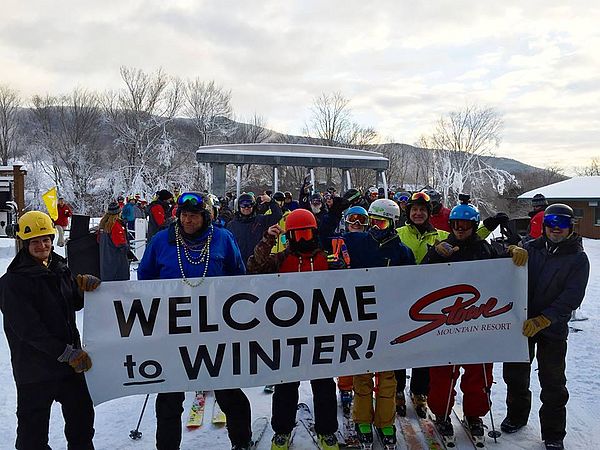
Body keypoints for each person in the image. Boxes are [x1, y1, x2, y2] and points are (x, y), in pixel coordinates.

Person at [137, 192, 252, 450]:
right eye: (184, 215)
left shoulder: (222, 238)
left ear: (206, 217)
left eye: (194, 216)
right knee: (169, 397)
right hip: (173, 330)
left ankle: (241, 441)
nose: (188, 221)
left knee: (228, 391)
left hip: (215, 328)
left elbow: (238, 275)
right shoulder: (161, 241)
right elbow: (144, 279)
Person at [421, 195, 528, 445]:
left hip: (477, 324)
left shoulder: (486, 249)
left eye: (465, 226)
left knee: (479, 375)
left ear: (473, 226)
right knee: (442, 372)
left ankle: (474, 414)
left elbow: (505, 274)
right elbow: (421, 278)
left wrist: (513, 253)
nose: (460, 230)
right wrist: (434, 256)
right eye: (456, 225)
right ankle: (442, 412)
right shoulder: (442, 247)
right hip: (446, 323)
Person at [0, 210, 100, 450]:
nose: (42, 245)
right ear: (24, 244)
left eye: (45, 239)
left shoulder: (59, 268)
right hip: (35, 371)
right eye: (35, 241)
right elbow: (28, 330)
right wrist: (67, 353)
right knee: (32, 439)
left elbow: (70, 305)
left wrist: (83, 290)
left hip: (70, 368)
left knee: (82, 429)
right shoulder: (12, 282)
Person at [247, 209, 339, 450]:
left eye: (306, 234)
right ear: (288, 238)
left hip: (320, 331)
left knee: (324, 383)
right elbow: (254, 267)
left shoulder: (326, 259)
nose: (302, 240)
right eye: (295, 236)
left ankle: (327, 430)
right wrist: (268, 238)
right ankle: (282, 430)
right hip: (288, 333)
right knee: (286, 384)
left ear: (314, 233)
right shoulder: (281, 259)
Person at [502, 204, 589, 450]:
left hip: (552, 328)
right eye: (551, 222)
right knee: (515, 375)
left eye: (561, 223)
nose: (555, 228)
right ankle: (516, 416)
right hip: (522, 323)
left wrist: (545, 319)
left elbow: (572, 296)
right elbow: (499, 262)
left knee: (552, 382)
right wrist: (510, 250)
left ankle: (553, 433)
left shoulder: (578, 259)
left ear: (571, 226)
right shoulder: (531, 247)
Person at [341, 199, 416, 448]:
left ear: (393, 224)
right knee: (362, 372)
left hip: (389, 318)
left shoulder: (402, 251)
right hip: (361, 316)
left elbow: (412, 284)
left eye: (381, 222)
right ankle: (362, 418)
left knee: (387, 375)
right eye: (372, 221)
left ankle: (385, 421)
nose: (375, 227)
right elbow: (326, 239)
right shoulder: (358, 241)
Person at [226, 192, 282, 264]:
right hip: (238, 265)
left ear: (254, 206)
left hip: (257, 264)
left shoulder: (260, 221)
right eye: (243, 205)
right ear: (239, 207)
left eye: (249, 205)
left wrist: (271, 202)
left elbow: (277, 215)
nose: (246, 208)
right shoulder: (231, 225)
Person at [97, 202, 130, 281]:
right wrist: (127, 248)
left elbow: (98, 240)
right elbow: (120, 244)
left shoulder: (103, 224)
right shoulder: (115, 226)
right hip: (116, 263)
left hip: (106, 262)